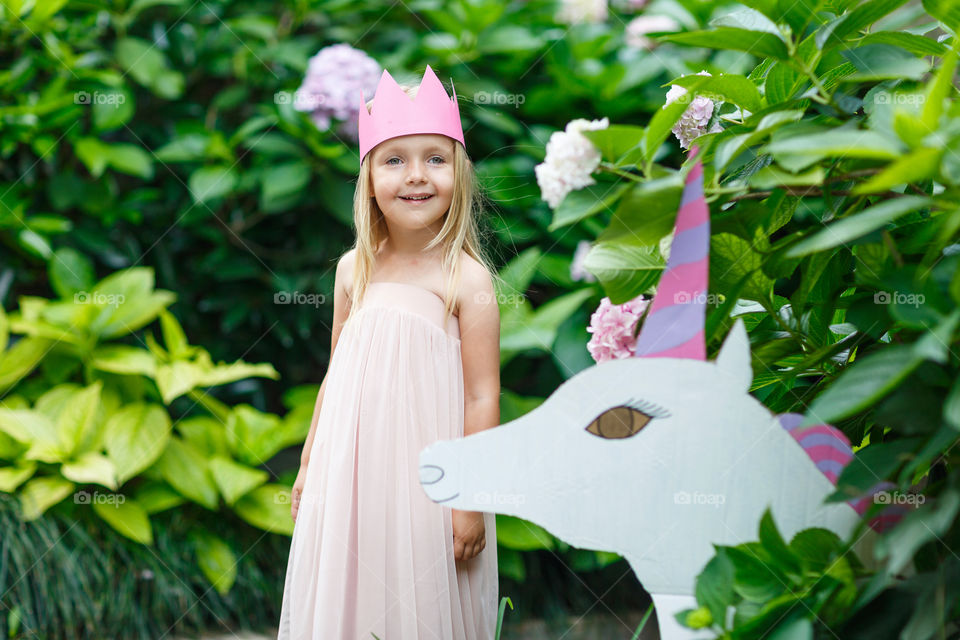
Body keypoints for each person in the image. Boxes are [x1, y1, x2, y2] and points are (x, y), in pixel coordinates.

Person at [277, 64, 501, 640]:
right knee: (354, 593)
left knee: (418, 601)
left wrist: (468, 499)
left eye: (435, 158)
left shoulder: (466, 280)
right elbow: (337, 371)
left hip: (429, 485)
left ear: (459, 173)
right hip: (352, 473)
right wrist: (307, 464)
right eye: (395, 159)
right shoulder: (356, 268)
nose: (416, 176)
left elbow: (481, 395)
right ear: (369, 177)